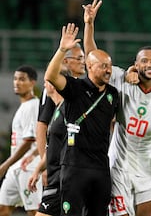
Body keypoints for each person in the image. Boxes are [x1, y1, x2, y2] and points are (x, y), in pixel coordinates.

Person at [82, 0, 151, 216]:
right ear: (136, 64)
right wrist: (89, 24)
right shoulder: (121, 78)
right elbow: (93, 57)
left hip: (149, 169)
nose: (149, 65)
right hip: (120, 166)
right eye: (144, 61)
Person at [44, 23, 119, 216]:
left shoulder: (113, 94)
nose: (108, 70)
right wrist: (62, 50)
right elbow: (51, 76)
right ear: (89, 66)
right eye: (103, 66)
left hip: (101, 168)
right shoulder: (75, 88)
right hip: (74, 167)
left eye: (110, 66)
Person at [27, 44, 86, 216]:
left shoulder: (79, 92)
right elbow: (42, 126)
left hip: (69, 171)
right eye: (80, 58)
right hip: (58, 169)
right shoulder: (55, 91)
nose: (84, 62)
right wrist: (43, 167)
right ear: (66, 62)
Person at [0, 65, 41, 216]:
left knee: (34, 212)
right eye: (15, 79)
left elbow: (29, 141)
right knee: (3, 208)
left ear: (32, 83)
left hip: (28, 167)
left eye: (22, 79)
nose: (17, 82)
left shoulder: (33, 106)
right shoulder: (23, 106)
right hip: (15, 168)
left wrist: (5, 165)